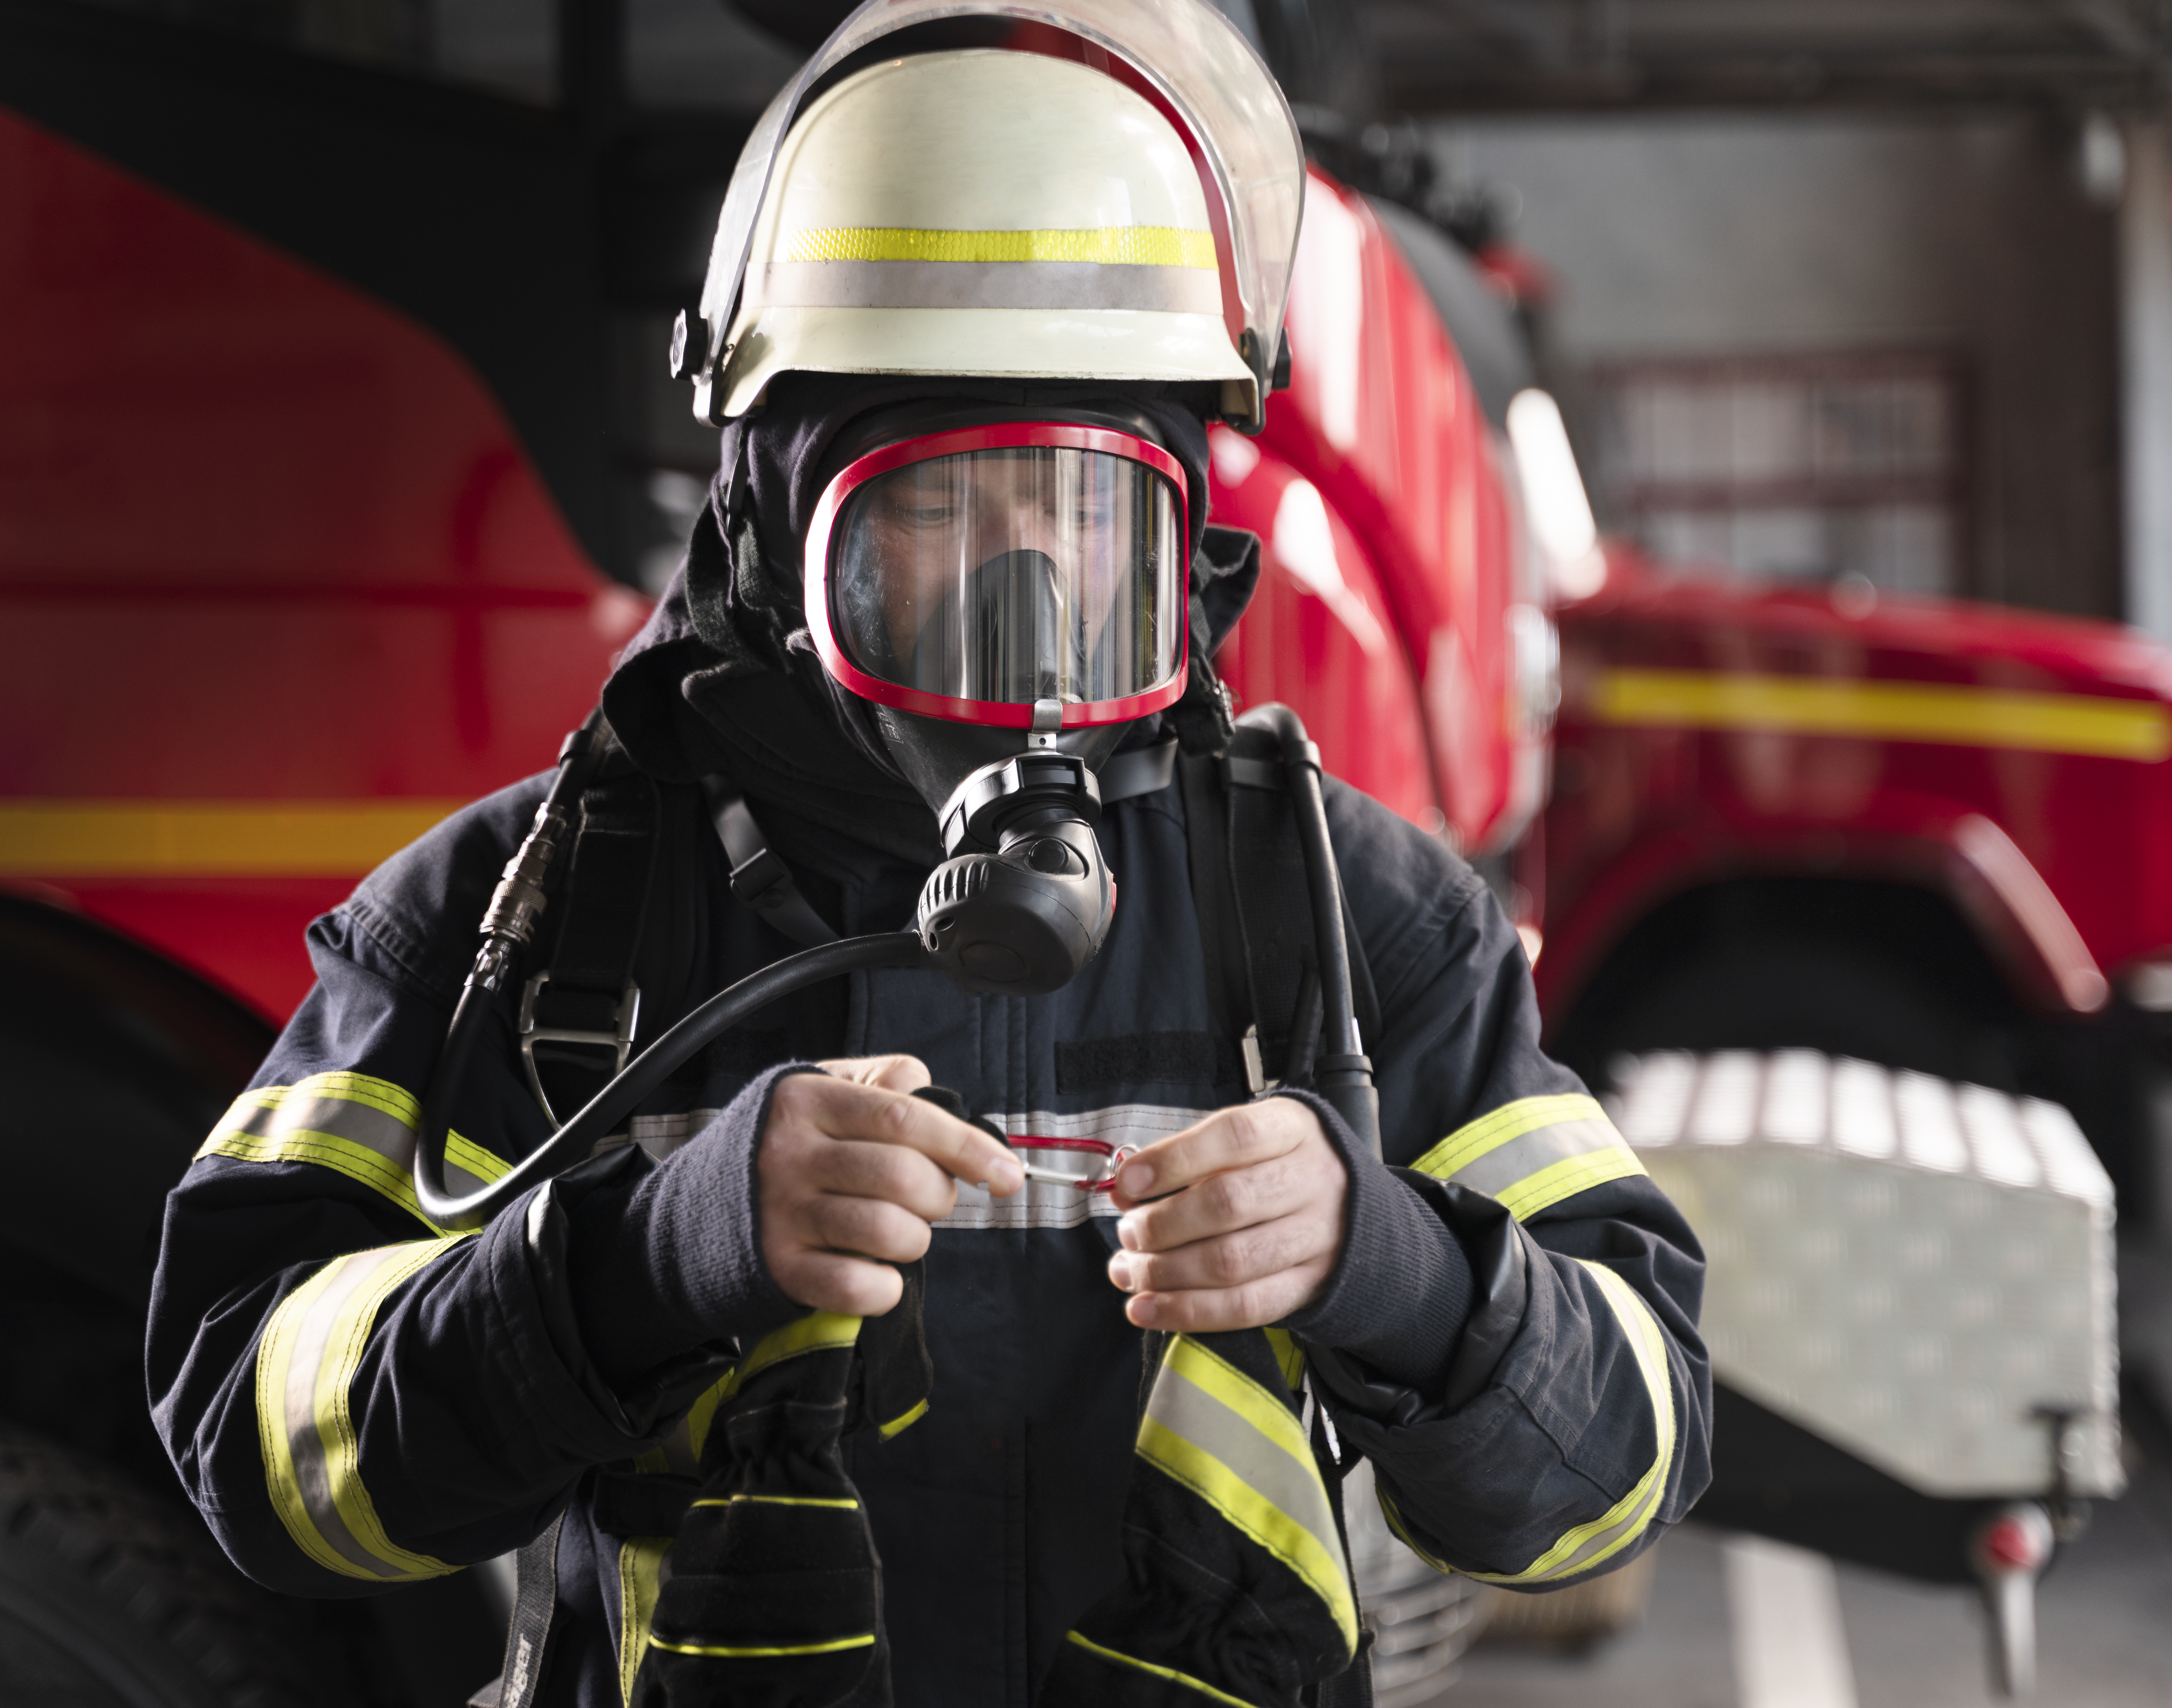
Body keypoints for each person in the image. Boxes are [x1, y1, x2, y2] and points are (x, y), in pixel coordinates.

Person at [145, 5, 1710, 1705]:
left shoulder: (1352, 919)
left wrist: (1385, 1264)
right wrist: (644, 1256)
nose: (1021, 605)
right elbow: (252, 1449)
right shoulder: (521, 920)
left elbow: (1617, 1462)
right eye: (932, 512)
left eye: (1089, 514)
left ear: (1187, 555)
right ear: (762, 532)